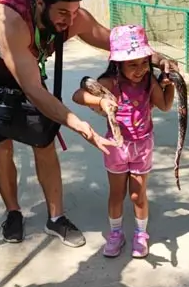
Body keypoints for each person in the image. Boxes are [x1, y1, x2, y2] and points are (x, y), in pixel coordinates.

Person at [0, 0, 179, 248]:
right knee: (1, 144)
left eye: (74, 12)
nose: (70, 21)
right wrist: (80, 125)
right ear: (40, 3)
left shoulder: (72, 16)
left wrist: (158, 59)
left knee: (43, 141)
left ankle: (56, 218)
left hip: (27, 69)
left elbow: (115, 42)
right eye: (63, 14)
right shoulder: (11, 19)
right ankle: (13, 212)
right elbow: (32, 90)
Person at [72, 25, 174, 259]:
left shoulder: (149, 81)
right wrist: (100, 103)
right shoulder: (110, 82)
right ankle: (116, 234)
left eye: (144, 63)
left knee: (138, 194)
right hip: (116, 147)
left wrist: (169, 86)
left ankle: (141, 234)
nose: (140, 70)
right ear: (118, 64)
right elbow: (78, 96)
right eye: (132, 64)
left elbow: (165, 106)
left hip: (142, 146)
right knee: (116, 194)